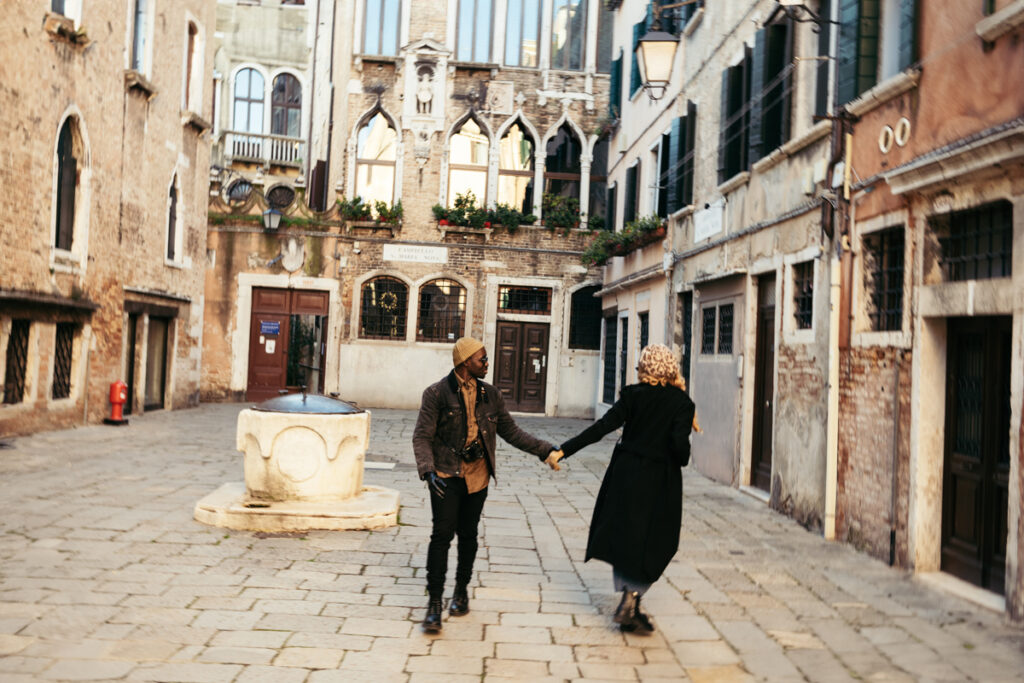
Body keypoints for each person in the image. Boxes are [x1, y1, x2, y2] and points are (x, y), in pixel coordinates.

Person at [545, 344, 697, 633]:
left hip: (626, 474)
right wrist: (682, 454)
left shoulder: (632, 396)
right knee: (659, 538)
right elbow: (679, 449)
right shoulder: (681, 403)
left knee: (627, 535)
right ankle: (632, 597)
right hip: (660, 479)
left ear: (645, 367)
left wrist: (563, 451)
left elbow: (601, 428)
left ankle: (631, 602)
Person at [413, 336, 558, 633]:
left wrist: (544, 450)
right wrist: (428, 472)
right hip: (445, 475)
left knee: (468, 534)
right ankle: (434, 604)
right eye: (483, 359)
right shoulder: (437, 393)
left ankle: (461, 591)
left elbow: (512, 432)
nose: (488, 364)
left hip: (477, 475)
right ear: (466, 362)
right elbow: (422, 436)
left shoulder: (491, 395)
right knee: (441, 536)